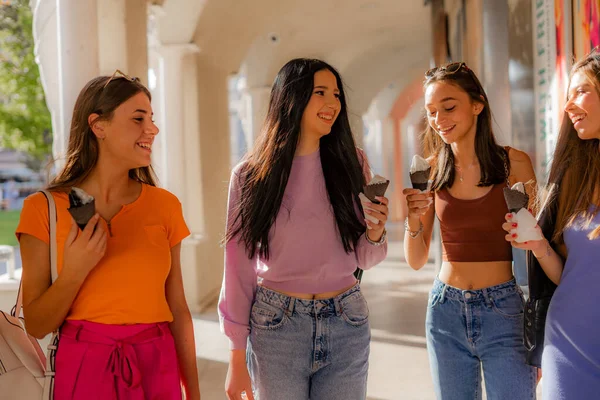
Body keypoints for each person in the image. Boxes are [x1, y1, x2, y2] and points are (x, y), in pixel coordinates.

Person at [16, 70, 200, 399]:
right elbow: (37, 325)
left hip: (157, 367)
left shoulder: (165, 205)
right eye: (138, 118)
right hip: (83, 370)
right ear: (98, 126)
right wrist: (75, 272)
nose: (153, 129)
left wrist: (194, 393)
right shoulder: (43, 208)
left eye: (152, 119)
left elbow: (179, 309)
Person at [219, 58, 389, 400]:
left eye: (337, 94)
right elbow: (238, 265)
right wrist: (237, 354)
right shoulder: (250, 176)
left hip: (347, 320)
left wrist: (375, 232)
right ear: (291, 98)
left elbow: (364, 258)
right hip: (276, 327)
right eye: (320, 92)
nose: (333, 104)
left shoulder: (352, 163)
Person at [403, 62, 538, 399]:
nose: (438, 119)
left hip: (504, 310)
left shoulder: (514, 164)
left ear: (477, 104)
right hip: (444, 311)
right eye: (431, 112)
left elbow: (537, 246)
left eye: (448, 107)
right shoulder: (432, 170)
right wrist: (413, 218)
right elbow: (416, 259)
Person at [504, 49, 600, 400]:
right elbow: (569, 275)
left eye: (581, 91)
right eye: (567, 95)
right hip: (568, 345)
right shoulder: (573, 175)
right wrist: (539, 245)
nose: (569, 105)